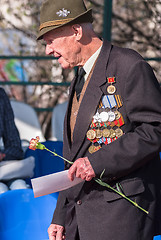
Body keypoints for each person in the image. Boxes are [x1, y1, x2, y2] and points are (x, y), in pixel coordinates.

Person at [37, 0, 161, 239]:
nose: (48, 51)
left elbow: (155, 129)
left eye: (51, 40)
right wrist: (61, 215)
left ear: (76, 31)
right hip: (82, 217)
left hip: (121, 216)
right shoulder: (80, 77)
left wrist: (98, 162)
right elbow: (74, 156)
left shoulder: (129, 66)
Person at [0, 87, 28, 193]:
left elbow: (15, 146)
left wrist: (2, 156)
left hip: (3, 168)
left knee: (20, 187)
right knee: (1, 190)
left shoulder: (1, 95)